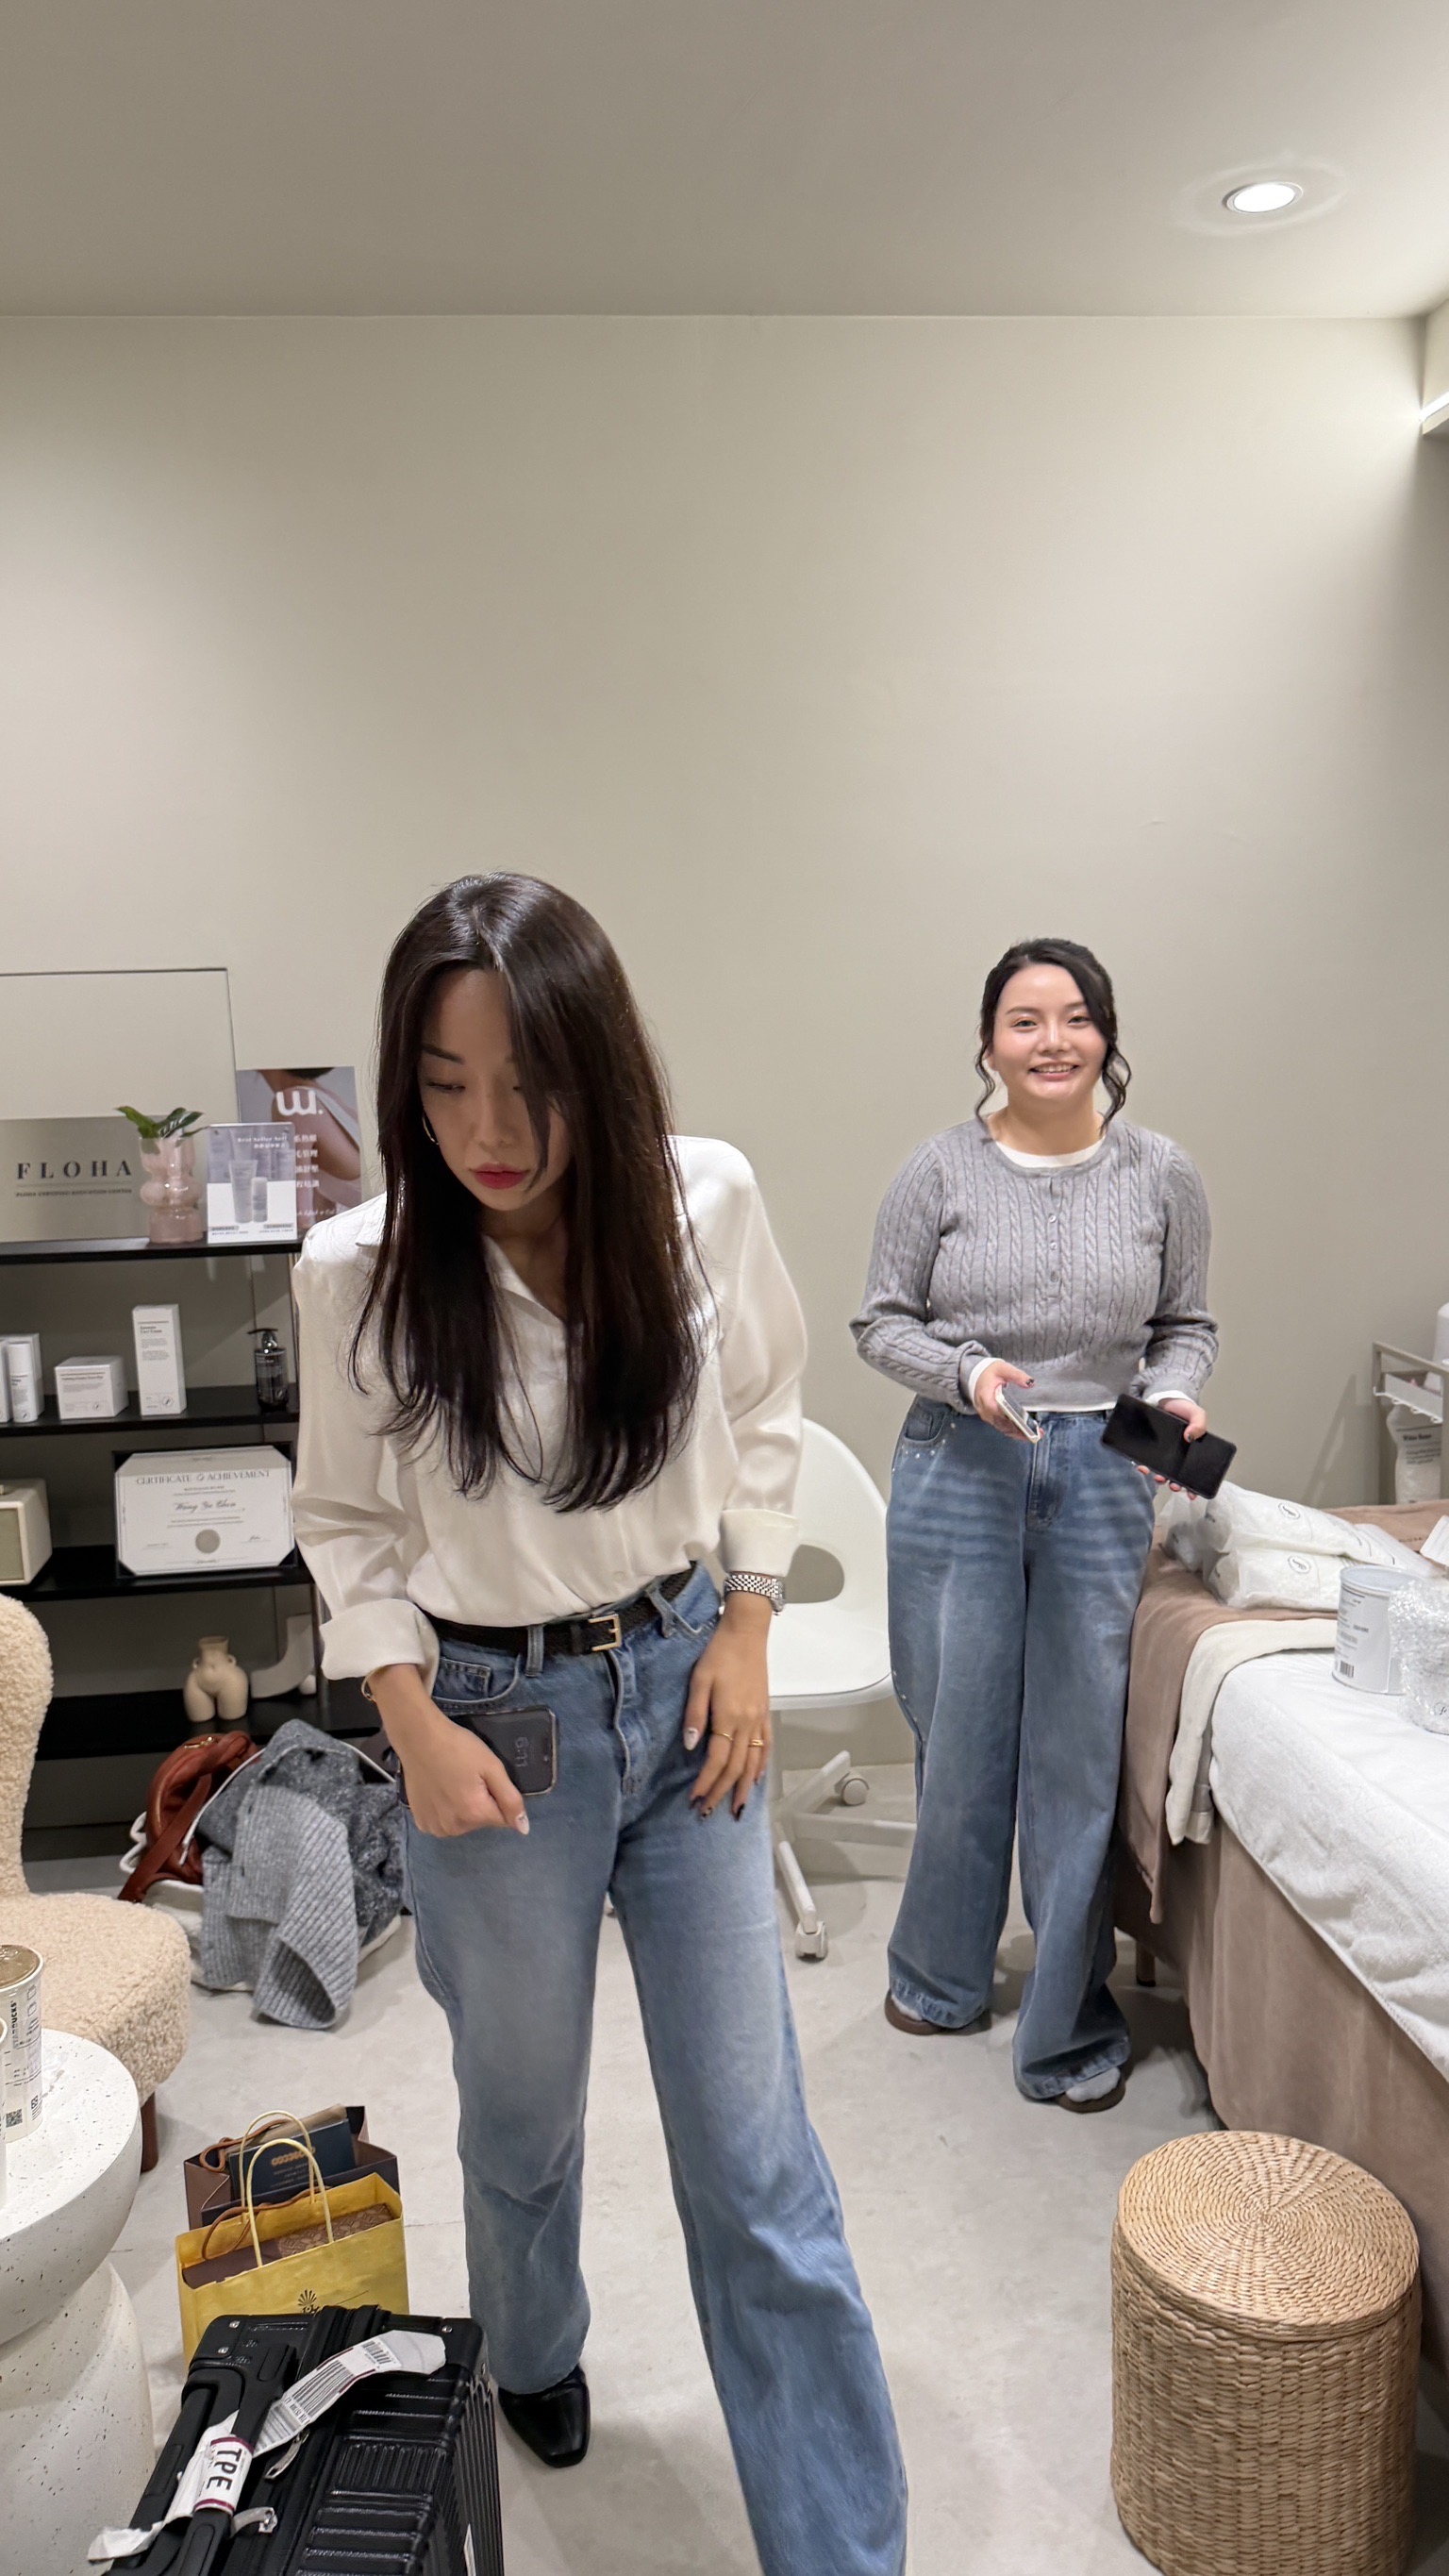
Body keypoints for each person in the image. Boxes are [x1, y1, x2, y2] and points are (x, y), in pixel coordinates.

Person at [291, 873, 907, 2576]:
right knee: (520, 2116)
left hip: (691, 1685)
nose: (488, 1131)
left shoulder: (704, 1200)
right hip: (493, 1727)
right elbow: (344, 1523)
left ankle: (840, 2554)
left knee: (757, 2155)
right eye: (444, 1084)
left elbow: (767, 1405)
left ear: (601, 1067)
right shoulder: (358, 1271)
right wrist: (407, 1718)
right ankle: (535, 2346)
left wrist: (752, 1623)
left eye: (529, 1084)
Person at [852, 937, 1216, 2112]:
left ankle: (1065, 2021)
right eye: (1025, 1020)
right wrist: (966, 1375)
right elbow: (880, 1322)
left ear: (1106, 1037)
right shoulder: (938, 1172)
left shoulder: (1162, 1174)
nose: (1052, 1041)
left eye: (1075, 1018)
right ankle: (938, 1972)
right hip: (960, 1463)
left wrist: (1174, 1393)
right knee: (957, 1733)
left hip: (1105, 1468)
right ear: (989, 1043)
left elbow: (1186, 1324)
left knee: (1076, 1749)